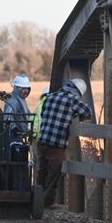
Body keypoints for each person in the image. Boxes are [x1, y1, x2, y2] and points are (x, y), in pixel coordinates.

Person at [37, 78, 91, 207]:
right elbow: (87, 112)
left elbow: (44, 114)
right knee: (53, 174)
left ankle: (35, 198)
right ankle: (45, 202)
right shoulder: (72, 99)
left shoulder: (50, 97)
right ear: (78, 91)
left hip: (42, 140)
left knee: (42, 171)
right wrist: (78, 117)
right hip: (57, 143)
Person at [4, 74, 32, 161]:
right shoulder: (13, 100)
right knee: (15, 161)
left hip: (20, 136)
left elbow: (28, 114)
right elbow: (8, 117)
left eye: (27, 89)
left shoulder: (21, 99)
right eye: (23, 89)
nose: (26, 91)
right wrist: (15, 129)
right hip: (12, 137)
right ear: (16, 88)